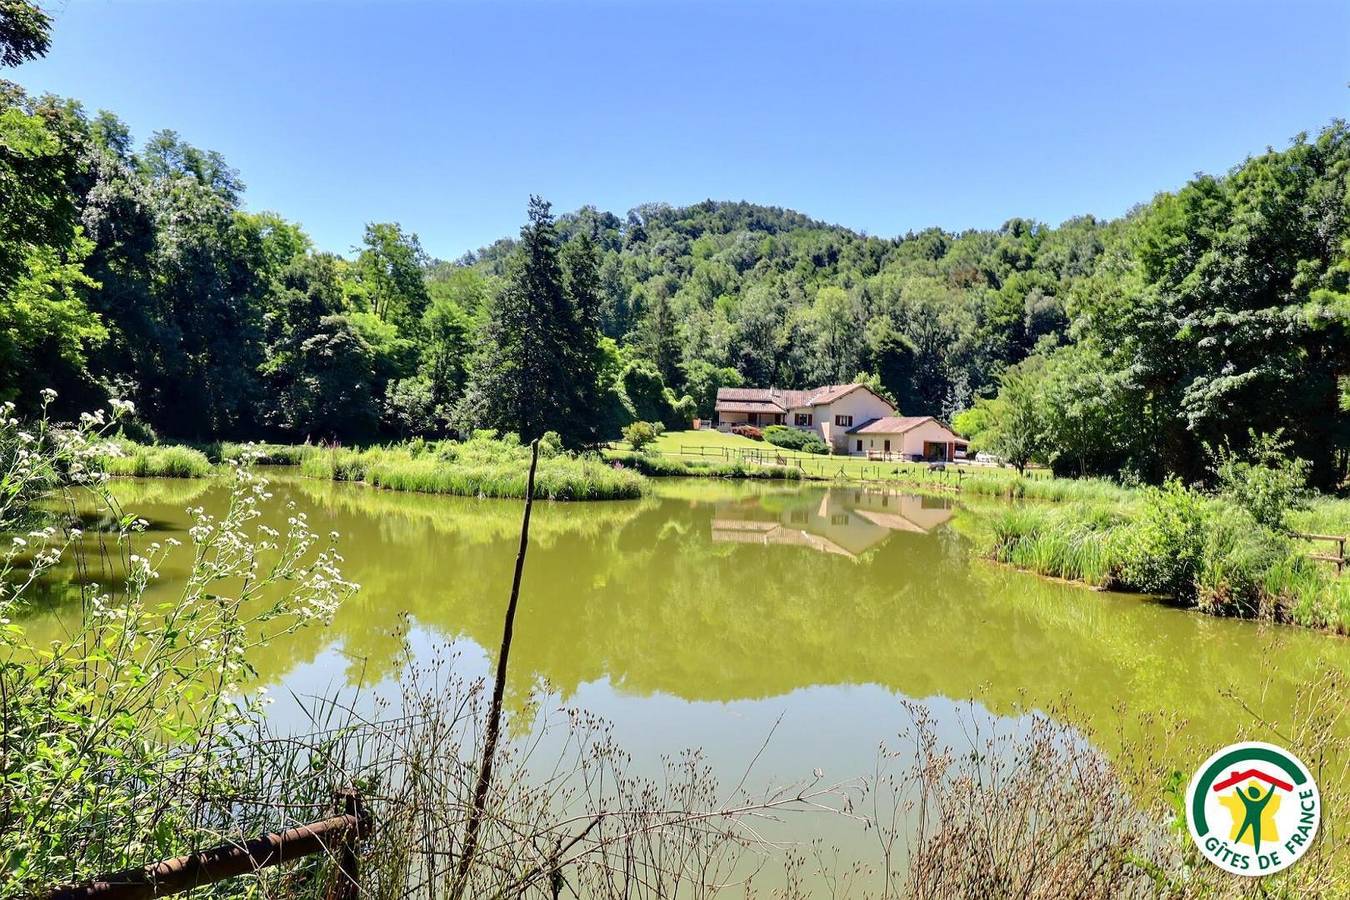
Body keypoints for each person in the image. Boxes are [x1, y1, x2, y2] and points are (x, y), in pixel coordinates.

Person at [1234, 782, 1277, 852]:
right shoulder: (1261, 803)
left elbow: (1241, 795)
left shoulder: (1248, 802)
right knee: (1256, 836)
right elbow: (1269, 795)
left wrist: (1237, 788)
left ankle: (1236, 843)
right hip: (1256, 820)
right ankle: (1257, 850)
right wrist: (1273, 786)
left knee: (1242, 833)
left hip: (1250, 819)